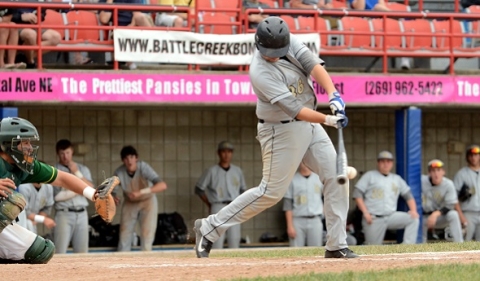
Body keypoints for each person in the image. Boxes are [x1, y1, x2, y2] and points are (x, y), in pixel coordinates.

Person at [194, 16, 355, 259]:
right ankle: (209, 227)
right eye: (269, 51)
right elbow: (296, 110)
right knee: (270, 192)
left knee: (336, 176)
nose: (273, 55)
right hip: (280, 130)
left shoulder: (288, 42)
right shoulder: (259, 72)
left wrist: (334, 94)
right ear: (259, 45)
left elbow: (314, 66)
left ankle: (336, 244)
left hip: (308, 125)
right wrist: (328, 120)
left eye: (277, 50)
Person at [0, 117, 105, 264]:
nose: (30, 147)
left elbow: (62, 178)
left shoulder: (25, 166)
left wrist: (94, 194)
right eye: (25, 142)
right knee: (11, 202)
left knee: (41, 251)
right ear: (8, 144)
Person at [353, 151, 420, 245]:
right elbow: (357, 194)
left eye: (388, 161)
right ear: (378, 163)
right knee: (373, 248)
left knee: (413, 219)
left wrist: (413, 210)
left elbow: (408, 195)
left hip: (391, 216)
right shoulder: (369, 176)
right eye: (383, 161)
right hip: (373, 217)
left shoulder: (397, 179)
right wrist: (365, 212)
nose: (385, 164)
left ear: (392, 163)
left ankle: (407, 247)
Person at [114, 145, 167, 251]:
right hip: (130, 201)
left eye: (132, 157)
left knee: (147, 232)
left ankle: (146, 259)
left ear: (136, 158)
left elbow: (162, 185)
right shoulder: (119, 172)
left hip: (148, 201)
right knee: (124, 232)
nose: (129, 161)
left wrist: (140, 192)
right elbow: (112, 191)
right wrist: (114, 197)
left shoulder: (143, 167)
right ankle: (123, 260)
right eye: (126, 158)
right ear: (123, 160)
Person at [195, 141, 246, 249]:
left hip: (234, 206)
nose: (226, 154)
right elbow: (199, 189)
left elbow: (243, 190)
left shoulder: (237, 171)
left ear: (232, 153)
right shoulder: (211, 171)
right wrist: (209, 204)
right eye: (223, 151)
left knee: (234, 240)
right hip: (218, 206)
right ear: (218, 153)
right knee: (217, 241)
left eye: (229, 151)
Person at [53, 139, 93, 254]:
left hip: (82, 213)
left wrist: (77, 173)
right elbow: (56, 196)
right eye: (62, 153)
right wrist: (79, 189)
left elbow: (91, 188)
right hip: (64, 213)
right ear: (58, 154)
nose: (65, 156)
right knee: (60, 250)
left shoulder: (82, 169)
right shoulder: (54, 170)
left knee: (82, 252)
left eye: (68, 153)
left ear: (72, 152)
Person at [98, 0, 153, 70]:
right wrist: (109, 1)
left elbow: (137, 14)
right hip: (118, 30)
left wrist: (129, 28)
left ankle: (159, 51)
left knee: (140, 18)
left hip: (134, 25)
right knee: (119, 34)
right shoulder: (104, 1)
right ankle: (129, 64)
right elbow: (104, 19)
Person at [421, 159, 463, 243]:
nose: (436, 174)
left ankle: (459, 243)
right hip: (424, 217)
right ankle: (419, 246)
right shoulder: (421, 181)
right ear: (429, 173)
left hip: (440, 217)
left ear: (443, 172)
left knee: (453, 214)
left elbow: (450, 205)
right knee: (416, 219)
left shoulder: (448, 184)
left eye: (438, 170)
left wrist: (435, 214)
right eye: (433, 171)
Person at [283, 163, 324, 247]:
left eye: (307, 161)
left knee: (315, 250)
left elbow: (327, 198)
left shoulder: (319, 178)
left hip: (315, 219)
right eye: (302, 161)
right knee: (296, 250)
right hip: (297, 220)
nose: (305, 164)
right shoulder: (292, 180)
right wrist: (290, 226)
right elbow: (288, 205)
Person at [11, 3, 61, 69]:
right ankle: (30, 62)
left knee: (55, 37)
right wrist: (21, 17)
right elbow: (5, 13)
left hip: (33, 25)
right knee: (30, 34)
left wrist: (37, 16)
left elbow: (42, 12)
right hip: (14, 26)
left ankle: (24, 58)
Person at [453, 145, 480, 241]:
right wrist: (461, 216)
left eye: (476, 155)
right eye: (471, 155)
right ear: (467, 157)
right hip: (468, 213)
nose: (473, 158)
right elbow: (453, 197)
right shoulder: (462, 174)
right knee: (465, 242)